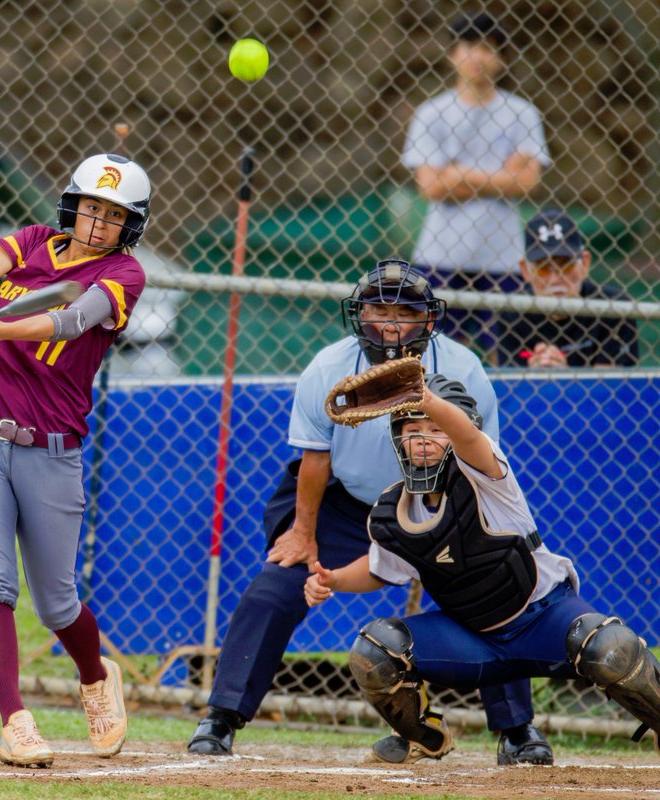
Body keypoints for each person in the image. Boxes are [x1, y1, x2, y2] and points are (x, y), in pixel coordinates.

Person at [186, 259, 555, 765]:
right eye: (379, 308)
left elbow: (478, 458)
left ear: (429, 319)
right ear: (358, 315)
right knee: (274, 587)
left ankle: (518, 731)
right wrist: (303, 534)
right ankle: (222, 716)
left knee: (489, 595)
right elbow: (314, 461)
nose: (391, 322)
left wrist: (461, 539)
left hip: (441, 501)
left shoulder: (464, 369)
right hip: (351, 504)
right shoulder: (328, 368)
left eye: (406, 311)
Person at [305, 374, 660, 762]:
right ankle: (423, 735)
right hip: (473, 640)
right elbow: (379, 569)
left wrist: (426, 400)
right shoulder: (395, 509)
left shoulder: (486, 474)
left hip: (544, 620)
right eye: (412, 429)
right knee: (375, 651)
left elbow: (469, 439)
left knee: (612, 648)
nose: (424, 438)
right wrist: (332, 579)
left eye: (437, 428)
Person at [0, 153, 149, 767]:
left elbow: (68, 321)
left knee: (57, 603)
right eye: (91, 207)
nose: (97, 222)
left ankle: (95, 675)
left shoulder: (125, 274)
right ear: (72, 205)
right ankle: (16, 722)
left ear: (129, 225)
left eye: (113, 214)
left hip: (52, 451)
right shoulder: (35, 241)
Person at [402, 12, 550, 352]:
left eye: (489, 48)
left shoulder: (521, 113)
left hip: (502, 258)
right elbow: (432, 188)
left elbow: (526, 182)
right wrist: (501, 176)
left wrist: (457, 173)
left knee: (510, 352)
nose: (479, 57)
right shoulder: (431, 113)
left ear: (501, 58)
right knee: (430, 354)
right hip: (439, 256)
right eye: (469, 46)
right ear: (453, 54)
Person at [498, 209, 638, 368]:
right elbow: (508, 388)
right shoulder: (512, 312)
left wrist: (565, 377)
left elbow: (614, 389)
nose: (555, 279)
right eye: (543, 268)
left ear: (585, 263)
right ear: (525, 270)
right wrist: (532, 376)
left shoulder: (614, 307)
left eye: (566, 265)